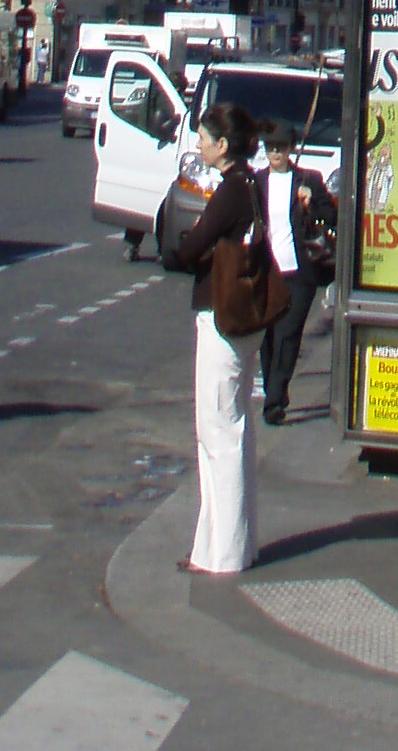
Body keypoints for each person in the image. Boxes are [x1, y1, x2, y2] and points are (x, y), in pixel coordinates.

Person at [163, 103, 269, 573]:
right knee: (235, 430)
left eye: (205, 137)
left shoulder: (230, 191)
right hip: (246, 320)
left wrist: (176, 252)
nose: (199, 144)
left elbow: (193, 245)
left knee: (218, 434)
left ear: (223, 145)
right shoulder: (253, 185)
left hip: (221, 318)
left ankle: (223, 554)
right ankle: (231, 544)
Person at [255, 123, 337, 424]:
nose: (275, 153)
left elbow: (332, 216)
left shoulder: (308, 179)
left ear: (290, 149)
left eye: (280, 147)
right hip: (266, 271)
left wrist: (310, 202)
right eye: (270, 148)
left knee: (288, 335)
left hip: (299, 273)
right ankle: (274, 389)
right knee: (267, 338)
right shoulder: (257, 182)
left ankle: (274, 402)